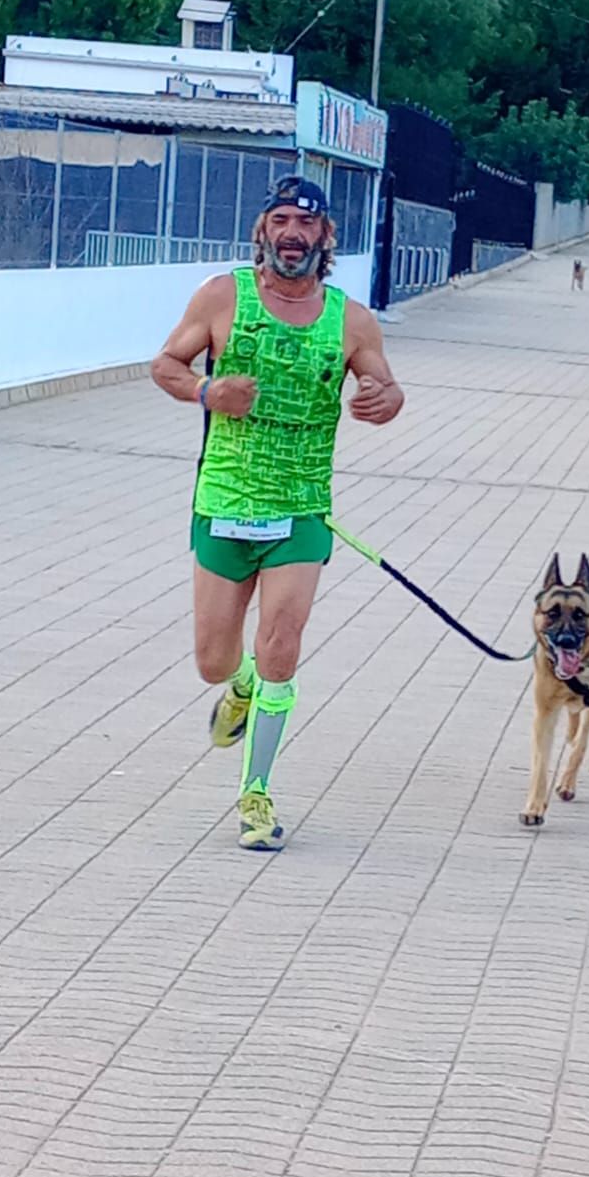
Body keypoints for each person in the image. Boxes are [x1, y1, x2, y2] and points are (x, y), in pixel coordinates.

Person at [151, 177, 404, 852]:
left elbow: (383, 381)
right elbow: (165, 365)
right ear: (263, 229)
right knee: (213, 659)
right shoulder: (221, 296)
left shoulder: (350, 318)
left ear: (325, 238)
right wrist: (208, 389)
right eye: (281, 220)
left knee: (282, 649)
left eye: (306, 224)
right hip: (226, 500)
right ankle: (234, 688)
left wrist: (387, 397)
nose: (293, 233)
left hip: (301, 510)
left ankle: (255, 793)